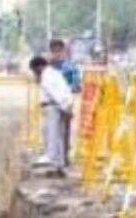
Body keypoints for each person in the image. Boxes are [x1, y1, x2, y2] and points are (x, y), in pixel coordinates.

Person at [30, 55, 73, 175]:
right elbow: (64, 90)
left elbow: (55, 93)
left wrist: (65, 107)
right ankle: (58, 165)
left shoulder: (47, 77)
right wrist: (66, 105)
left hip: (53, 107)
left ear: (38, 67)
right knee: (58, 137)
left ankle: (53, 163)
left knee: (51, 136)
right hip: (58, 106)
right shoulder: (55, 74)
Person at [49, 40, 80, 168]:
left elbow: (76, 84)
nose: (57, 54)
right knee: (52, 131)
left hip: (65, 102)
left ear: (63, 51)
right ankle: (55, 158)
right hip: (51, 104)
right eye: (54, 51)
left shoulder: (70, 67)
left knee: (64, 130)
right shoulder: (48, 67)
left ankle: (64, 158)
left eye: (59, 51)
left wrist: (68, 90)